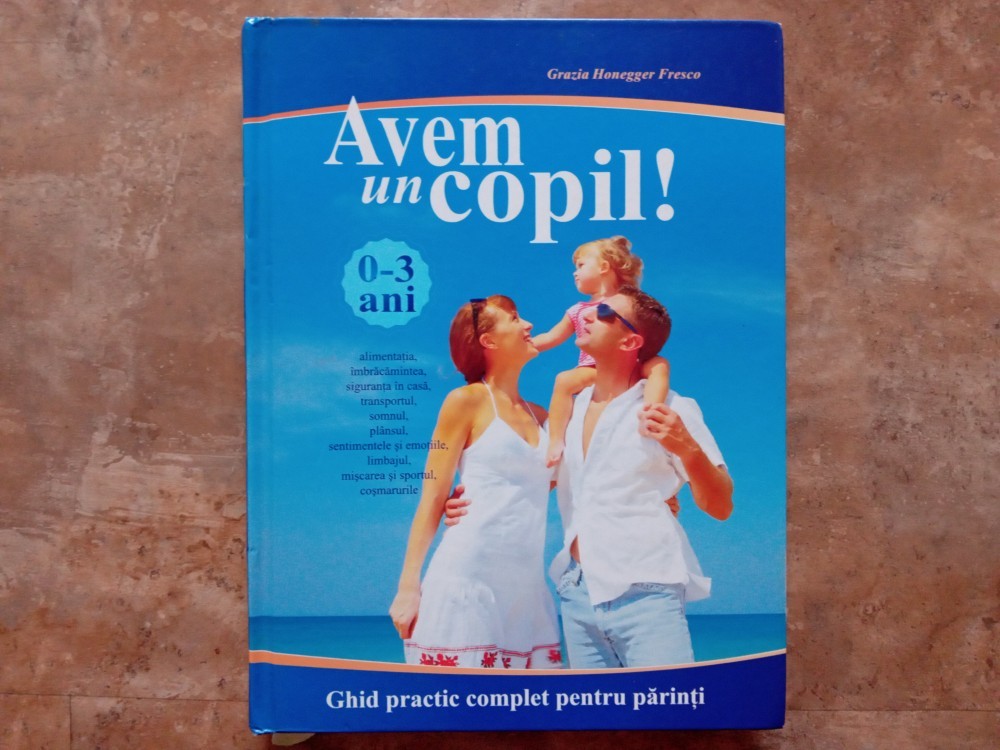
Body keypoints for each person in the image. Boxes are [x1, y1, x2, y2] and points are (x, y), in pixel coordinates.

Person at [550, 286, 733, 668]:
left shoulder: (672, 408)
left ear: (631, 341)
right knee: (596, 710)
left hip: (646, 591)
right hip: (577, 594)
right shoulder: (568, 412)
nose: (587, 314)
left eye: (604, 312)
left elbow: (720, 505)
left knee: (667, 705)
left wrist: (687, 448)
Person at [388, 296, 562, 669]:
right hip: (467, 580)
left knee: (529, 705)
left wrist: (665, 496)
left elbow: (554, 483)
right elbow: (433, 496)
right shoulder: (464, 401)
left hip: (527, 593)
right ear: (488, 341)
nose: (528, 325)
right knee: (459, 702)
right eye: (514, 319)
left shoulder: (545, 417)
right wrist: (408, 586)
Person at [531, 236, 670, 467]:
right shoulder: (578, 310)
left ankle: (651, 412)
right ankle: (556, 440)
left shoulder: (627, 302)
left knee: (659, 364)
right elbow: (551, 337)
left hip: (628, 365)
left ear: (604, 267)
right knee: (564, 380)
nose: (575, 273)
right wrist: (523, 345)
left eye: (581, 265)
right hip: (592, 370)